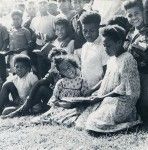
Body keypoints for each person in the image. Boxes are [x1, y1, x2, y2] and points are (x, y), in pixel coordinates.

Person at [75, 25, 141, 133]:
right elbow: (106, 80)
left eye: (108, 46)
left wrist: (101, 98)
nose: (105, 49)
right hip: (108, 99)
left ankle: (129, 124)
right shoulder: (111, 59)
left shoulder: (127, 59)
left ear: (119, 42)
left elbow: (124, 89)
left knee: (93, 124)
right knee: (81, 122)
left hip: (122, 103)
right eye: (104, 46)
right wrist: (92, 91)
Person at [2, 48, 67, 118]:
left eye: (56, 62)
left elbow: (38, 85)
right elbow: (40, 83)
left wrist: (28, 99)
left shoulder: (31, 76)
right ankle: (20, 109)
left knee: (42, 89)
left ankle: (21, 110)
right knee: (6, 108)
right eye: (52, 62)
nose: (53, 65)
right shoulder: (52, 72)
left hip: (63, 99)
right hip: (33, 101)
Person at [31, 55, 89, 127]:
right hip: (60, 107)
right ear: (60, 72)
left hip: (74, 108)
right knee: (49, 117)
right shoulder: (61, 83)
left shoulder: (82, 81)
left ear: (74, 65)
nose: (68, 70)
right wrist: (60, 104)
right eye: (64, 70)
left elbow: (85, 98)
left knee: (70, 119)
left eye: (69, 67)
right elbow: (54, 99)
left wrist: (77, 103)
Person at [123, 0, 148, 121]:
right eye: (130, 15)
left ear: (143, 12)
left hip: (145, 73)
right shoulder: (130, 32)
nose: (134, 17)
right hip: (132, 74)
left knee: (144, 105)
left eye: (136, 13)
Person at [79, 11, 109, 89]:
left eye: (92, 31)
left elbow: (108, 76)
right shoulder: (84, 46)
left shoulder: (105, 46)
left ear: (98, 28)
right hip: (85, 89)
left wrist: (91, 91)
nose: (87, 34)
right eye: (85, 31)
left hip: (100, 90)